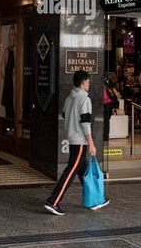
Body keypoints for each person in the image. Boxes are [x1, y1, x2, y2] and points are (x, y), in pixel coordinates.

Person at [44, 70, 110, 216]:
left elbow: (64, 115)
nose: (89, 84)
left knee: (82, 169)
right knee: (71, 170)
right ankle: (53, 201)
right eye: (88, 81)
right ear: (83, 82)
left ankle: (95, 200)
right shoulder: (84, 99)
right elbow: (85, 123)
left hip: (72, 137)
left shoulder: (69, 98)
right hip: (80, 140)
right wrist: (91, 143)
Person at [1, 25, 16, 120]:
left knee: (10, 105)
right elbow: (0, 67)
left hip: (10, 82)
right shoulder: (7, 51)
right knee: (8, 105)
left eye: (14, 34)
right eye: (11, 34)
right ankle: (9, 125)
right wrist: (5, 77)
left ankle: (10, 125)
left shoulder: (13, 51)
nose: (13, 36)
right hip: (8, 82)